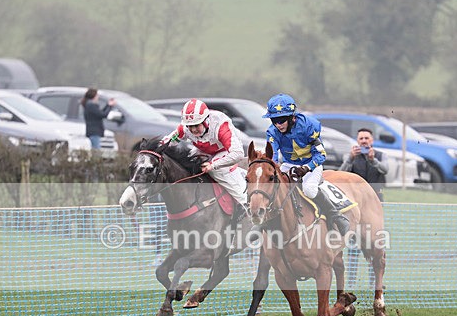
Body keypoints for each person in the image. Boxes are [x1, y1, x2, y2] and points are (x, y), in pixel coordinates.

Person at [263, 93, 349, 234]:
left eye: (282, 120)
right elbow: (272, 156)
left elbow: (321, 154)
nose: (278, 124)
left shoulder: (309, 126)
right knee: (274, 186)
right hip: (289, 164)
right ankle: (264, 221)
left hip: (311, 165)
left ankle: (335, 215)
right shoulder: (272, 132)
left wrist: (307, 168)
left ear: (292, 117)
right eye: (274, 120)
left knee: (309, 190)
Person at [161, 98, 248, 219]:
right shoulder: (184, 128)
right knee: (188, 162)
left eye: (196, 125)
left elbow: (238, 153)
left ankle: (245, 203)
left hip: (225, 150)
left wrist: (213, 165)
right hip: (204, 150)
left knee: (215, 170)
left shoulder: (220, 125)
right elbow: (167, 142)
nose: (193, 130)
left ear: (206, 121)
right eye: (190, 126)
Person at [339, 128, 388, 201]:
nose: (364, 141)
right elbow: (340, 173)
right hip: (356, 194)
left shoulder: (381, 155)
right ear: (357, 141)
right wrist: (350, 158)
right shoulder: (350, 156)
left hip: (375, 193)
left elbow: (385, 170)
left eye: (366, 138)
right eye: (361, 138)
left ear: (372, 140)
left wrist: (373, 160)